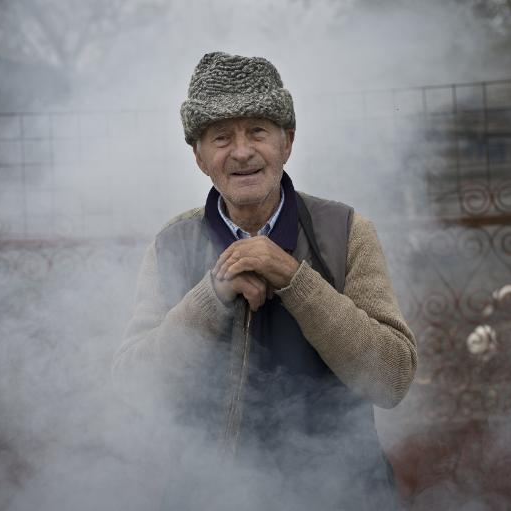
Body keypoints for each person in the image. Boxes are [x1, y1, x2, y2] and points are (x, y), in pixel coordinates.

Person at [113, 51, 417, 510]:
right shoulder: (172, 245)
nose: (241, 151)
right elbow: (135, 389)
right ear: (199, 157)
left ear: (287, 142)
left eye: (258, 130)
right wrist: (212, 294)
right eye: (221, 137)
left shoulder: (345, 231)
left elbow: (391, 379)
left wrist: (295, 279)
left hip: (341, 496)